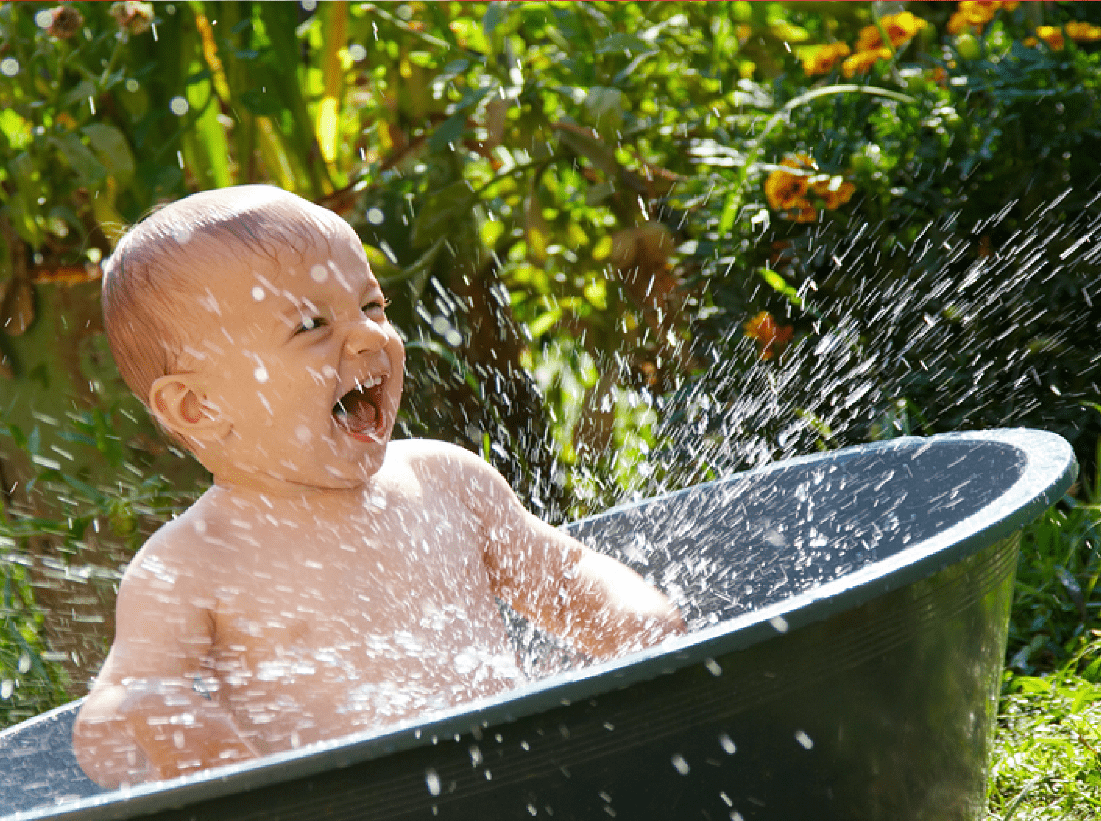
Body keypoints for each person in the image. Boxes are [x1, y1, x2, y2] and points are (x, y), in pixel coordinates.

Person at [71, 185, 684, 789]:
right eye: (311, 324)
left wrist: (645, 632)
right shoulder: (193, 562)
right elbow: (112, 718)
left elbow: (567, 577)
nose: (370, 337)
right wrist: (175, 727)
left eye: (372, 307)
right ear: (198, 406)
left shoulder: (446, 480)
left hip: (516, 784)